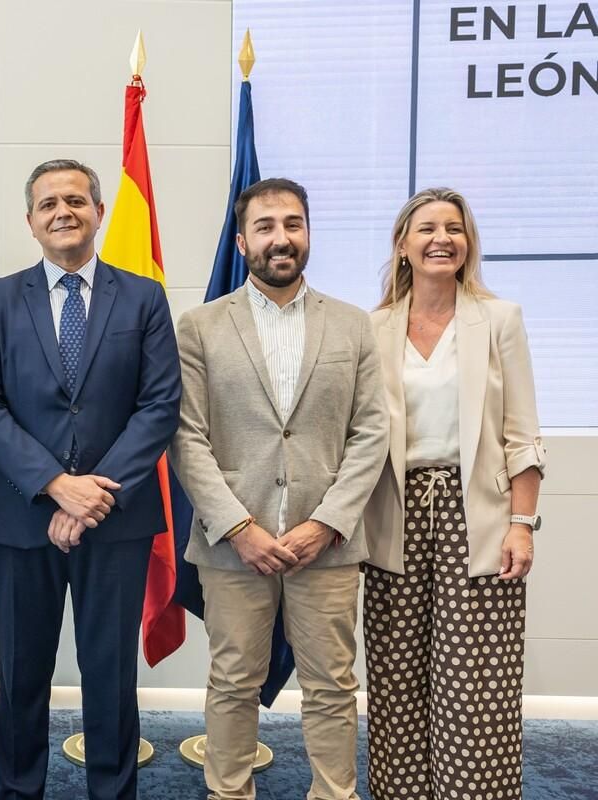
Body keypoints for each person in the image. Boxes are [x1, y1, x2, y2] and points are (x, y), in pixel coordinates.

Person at [0, 159, 180, 800]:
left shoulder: (142, 297)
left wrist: (92, 495)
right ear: (30, 221)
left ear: (99, 212)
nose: (64, 211)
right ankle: (19, 791)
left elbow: (159, 406)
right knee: (21, 674)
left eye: (77, 200)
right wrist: (57, 484)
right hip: (21, 516)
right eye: (49, 203)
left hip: (117, 521)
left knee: (109, 677)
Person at [169, 178, 388, 800]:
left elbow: (372, 432)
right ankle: (229, 791)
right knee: (234, 681)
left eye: (293, 224)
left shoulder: (352, 326)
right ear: (242, 242)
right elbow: (186, 437)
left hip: (329, 545)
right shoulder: (201, 327)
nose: (281, 237)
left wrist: (328, 522)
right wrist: (239, 527)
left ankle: (333, 793)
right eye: (265, 226)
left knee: (332, 686)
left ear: (308, 234)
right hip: (234, 546)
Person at [362, 188, 545, 800]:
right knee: (396, 674)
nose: (442, 238)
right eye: (427, 228)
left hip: (480, 519)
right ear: (403, 245)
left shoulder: (499, 319)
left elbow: (521, 434)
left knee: (476, 679)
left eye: (455, 228)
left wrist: (523, 523)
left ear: (468, 244)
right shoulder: (372, 326)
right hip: (394, 516)